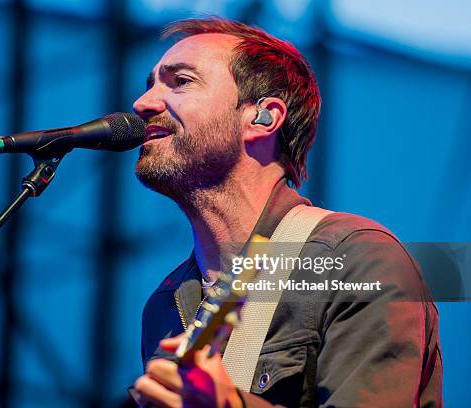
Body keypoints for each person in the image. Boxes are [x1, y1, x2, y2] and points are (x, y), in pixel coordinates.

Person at [131, 17, 442, 407]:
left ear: (263, 118)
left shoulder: (357, 260)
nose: (143, 104)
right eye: (150, 85)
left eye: (181, 81)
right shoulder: (166, 302)